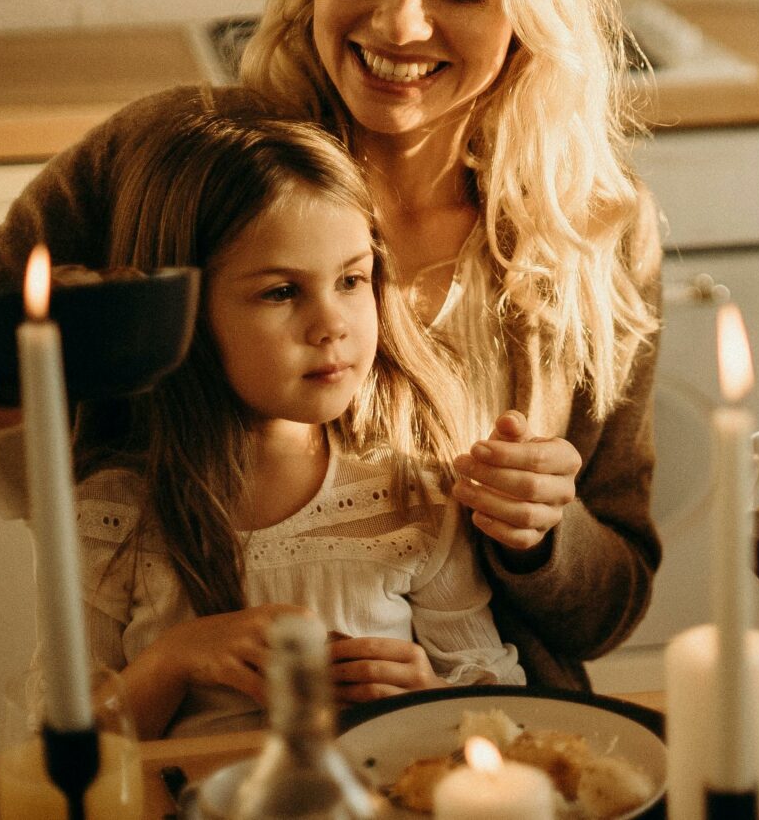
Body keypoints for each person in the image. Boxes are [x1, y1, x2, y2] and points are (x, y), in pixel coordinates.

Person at [0, 0, 662, 689]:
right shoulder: (178, 166)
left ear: (532, 6)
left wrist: (544, 535)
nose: (401, 21)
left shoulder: (592, 233)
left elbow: (610, 609)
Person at [69, 110, 525, 738]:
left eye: (351, 280)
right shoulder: (114, 513)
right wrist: (171, 661)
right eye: (282, 292)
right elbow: (61, 747)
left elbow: (496, 698)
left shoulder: (412, 494)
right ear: (184, 313)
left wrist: (426, 697)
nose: (331, 324)